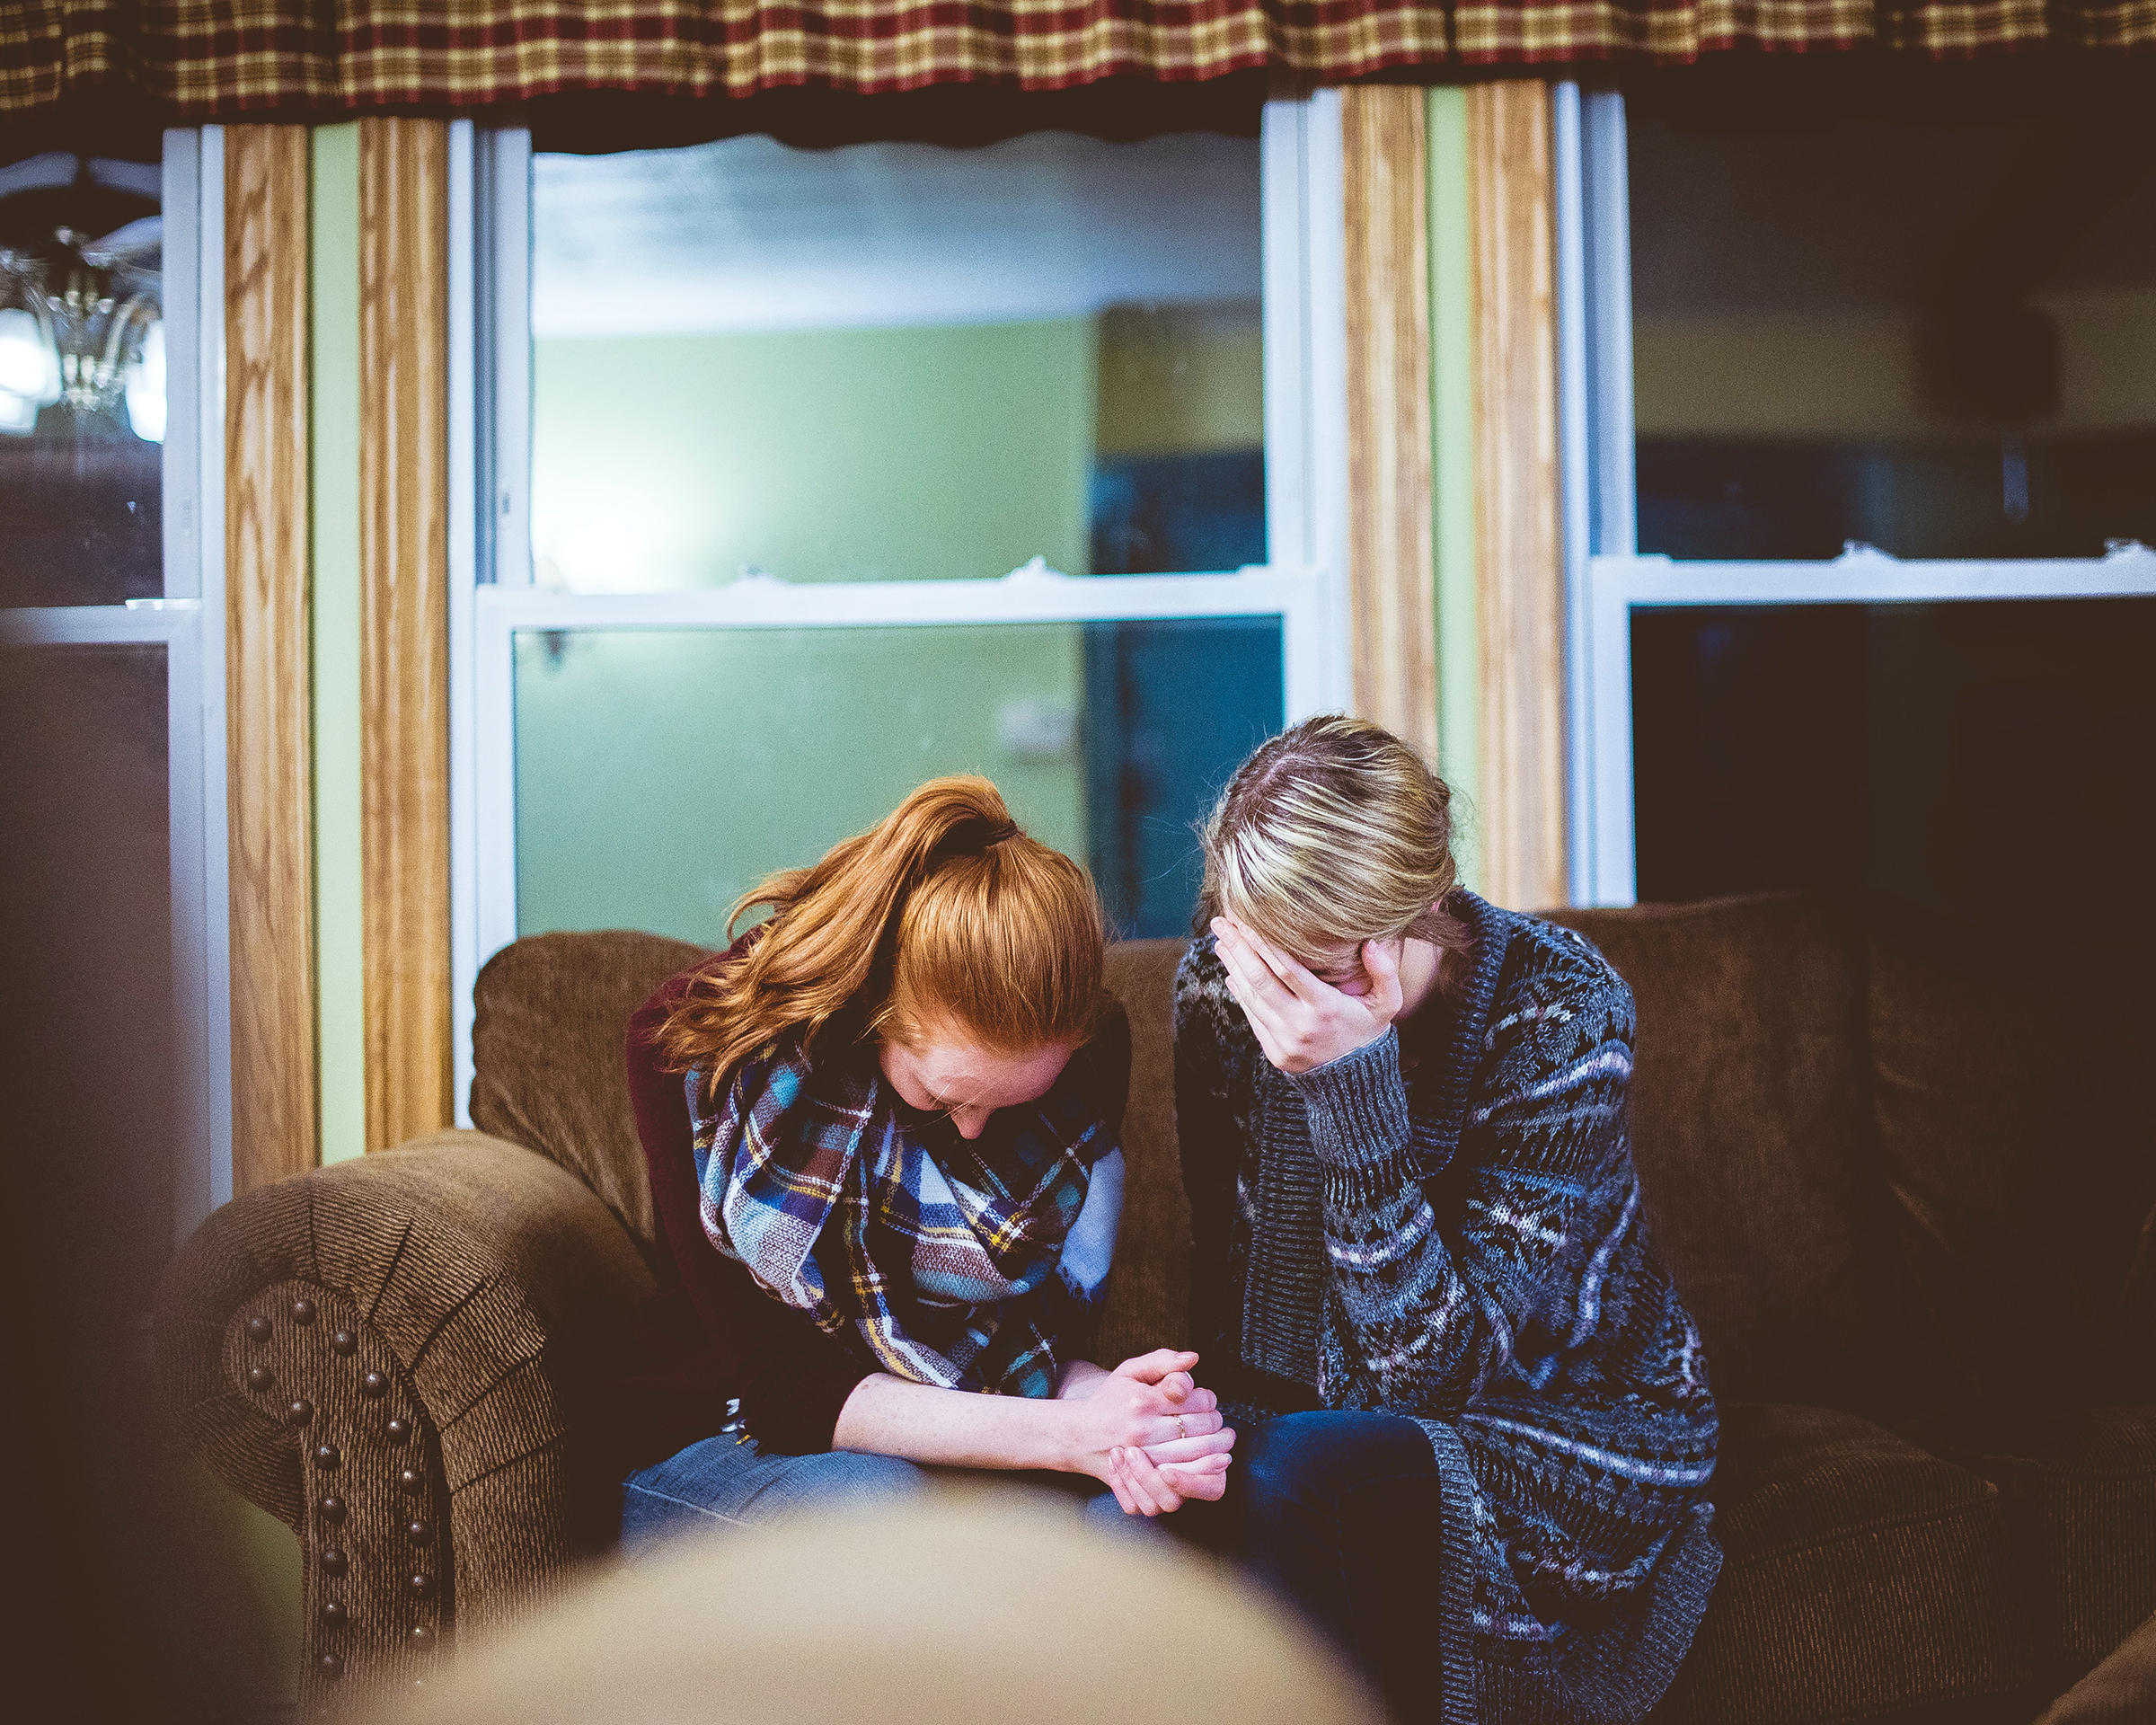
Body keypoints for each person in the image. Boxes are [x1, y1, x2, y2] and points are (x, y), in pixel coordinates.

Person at [1171, 716, 1720, 1725]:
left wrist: (1353, 1092)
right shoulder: (1221, 990)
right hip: (1326, 1419)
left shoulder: (1561, 1011)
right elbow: (1240, 1290)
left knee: (1305, 1477)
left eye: (1324, 969)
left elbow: (1431, 1382)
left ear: (1425, 906)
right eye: (1267, 963)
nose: (1286, 1006)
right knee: (1177, 1492)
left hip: (1567, 1419)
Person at [613, 775, 1236, 1541]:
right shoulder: (695, 1048)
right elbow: (782, 1388)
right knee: (880, 1510)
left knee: (1139, 1525)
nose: (974, 1132)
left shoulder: (1087, 1058)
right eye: (944, 1100)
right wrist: (1076, 1438)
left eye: (1010, 1105)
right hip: (726, 1435)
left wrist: (1131, 1413)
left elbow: (1029, 1354)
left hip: (961, 1437)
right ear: (875, 1013)